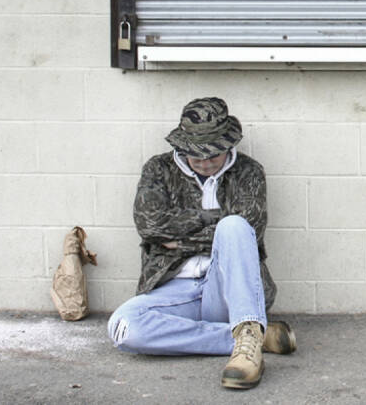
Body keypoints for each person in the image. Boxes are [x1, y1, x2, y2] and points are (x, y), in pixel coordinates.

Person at [107, 97, 295, 390]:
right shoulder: (158, 169)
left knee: (235, 227)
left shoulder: (248, 172)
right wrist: (214, 222)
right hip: (174, 287)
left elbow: (249, 233)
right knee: (124, 327)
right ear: (182, 147)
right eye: (197, 156)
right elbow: (150, 225)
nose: (206, 163)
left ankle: (246, 343)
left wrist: (180, 238)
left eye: (213, 155)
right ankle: (250, 338)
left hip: (226, 287)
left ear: (228, 146)